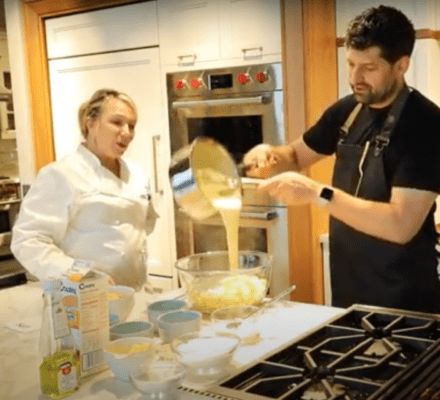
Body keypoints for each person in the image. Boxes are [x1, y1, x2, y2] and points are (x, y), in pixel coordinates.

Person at [243, 5, 440, 314]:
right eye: (350, 64)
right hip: (348, 297)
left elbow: (401, 225)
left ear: (401, 65)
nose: (355, 78)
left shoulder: (426, 125)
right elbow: (295, 155)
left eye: (369, 68)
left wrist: (316, 194)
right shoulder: (348, 111)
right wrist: (269, 154)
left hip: (406, 306)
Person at [11, 89, 158, 290]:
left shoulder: (137, 174)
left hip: (134, 290)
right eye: (117, 122)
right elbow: (27, 240)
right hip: (82, 295)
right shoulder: (61, 174)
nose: (127, 133)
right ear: (91, 123)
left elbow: (142, 225)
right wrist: (81, 274)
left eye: (132, 126)